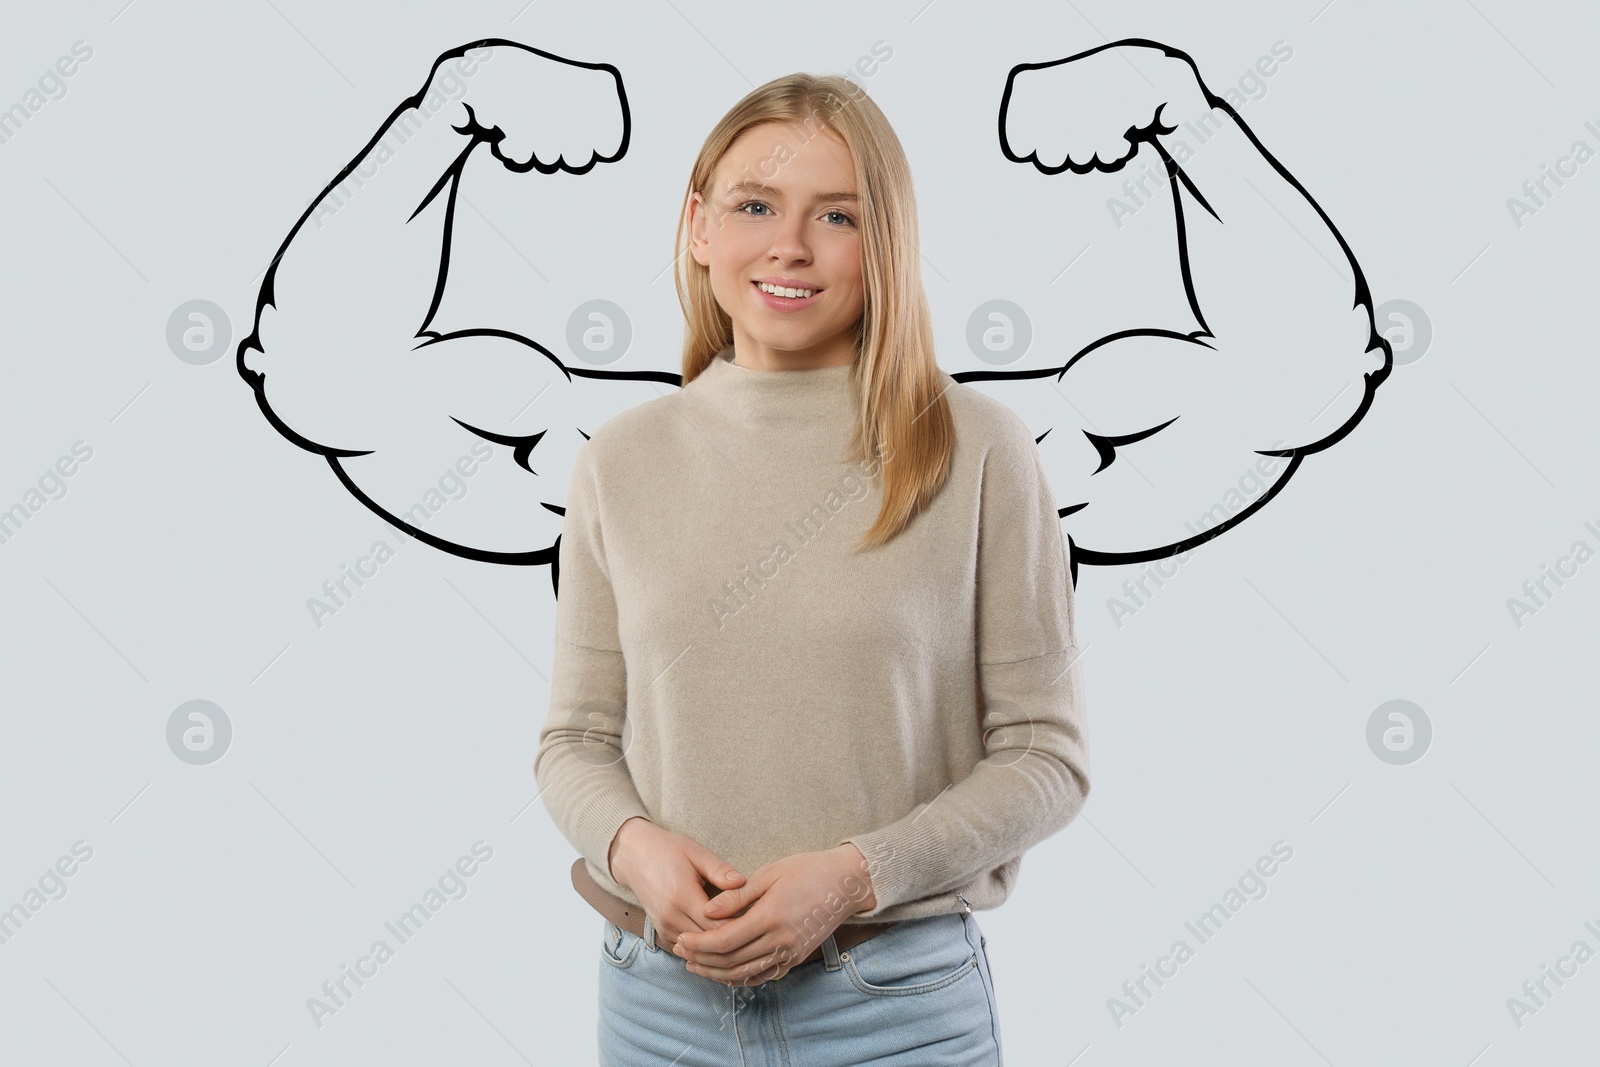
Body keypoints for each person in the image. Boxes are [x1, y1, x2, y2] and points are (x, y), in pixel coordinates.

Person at [534, 70, 1090, 1066]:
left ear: (886, 246)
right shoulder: (618, 460)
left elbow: (1046, 758)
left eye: (836, 214)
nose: (789, 245)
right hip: (656, 1003)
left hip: (893, 1006)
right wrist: (633, 846)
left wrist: (853, 874)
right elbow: (574, 739)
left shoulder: (979, 450)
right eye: (755, 205)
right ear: (699, 225)